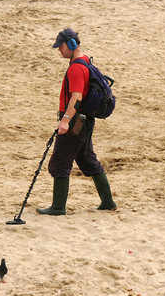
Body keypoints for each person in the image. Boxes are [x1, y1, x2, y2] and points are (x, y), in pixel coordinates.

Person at [36, 27, 117, 216]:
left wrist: (65, 121)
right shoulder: (85, 61)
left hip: (75, 122)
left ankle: (58, 207)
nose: (59, 50)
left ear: (72, 45)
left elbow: (77, 97)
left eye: (61, 46)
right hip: (85, 122)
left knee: (60, 163)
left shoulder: (77, 68)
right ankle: (108, 201)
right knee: (87, 159)